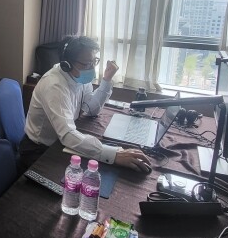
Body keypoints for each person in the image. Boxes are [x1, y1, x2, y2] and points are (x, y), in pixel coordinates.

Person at [20, 35, 151, 172]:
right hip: (38, 151)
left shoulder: (79, 76)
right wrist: (113, 155)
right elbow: (67, 135)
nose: (91, 68)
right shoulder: (54, 86)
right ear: (67, 64)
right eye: (87, 64)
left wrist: (106, 80)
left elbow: (91, 108)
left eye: (94, 61)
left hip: (61, 142)